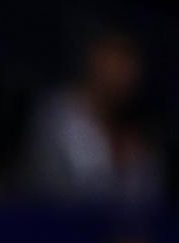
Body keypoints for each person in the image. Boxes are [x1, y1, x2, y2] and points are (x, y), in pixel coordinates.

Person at [20, 30, 161, 209]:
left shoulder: (141, 136)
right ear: (94, 60)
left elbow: (145, 202)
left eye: (130, 64)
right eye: (116, 60)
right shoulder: (59, 115)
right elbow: (50, 188)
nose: (124, 75)